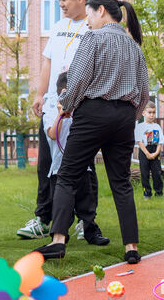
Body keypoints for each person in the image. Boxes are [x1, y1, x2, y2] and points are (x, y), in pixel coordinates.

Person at [33, 0, 149, 263]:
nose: (86, 22)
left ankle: (58, 240)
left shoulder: (94, 38)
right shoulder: (134, 47)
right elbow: (144, 92)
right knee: (121, 183)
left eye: (89, 15)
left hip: (93, 113)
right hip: (124, 117)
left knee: (68, 175)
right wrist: (131, 116)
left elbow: (78, 79)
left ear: (101, 11)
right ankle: (131, 247)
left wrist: (66, 104)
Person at [20, 0, 102, 242]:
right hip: (53, 110)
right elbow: (47, 63)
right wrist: (40, 94)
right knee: (46, 164)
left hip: (79, 111)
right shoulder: (57, 27)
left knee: (82, 166)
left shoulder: (93, 30)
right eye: (58, 0)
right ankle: (43, 218)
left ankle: (85, 221)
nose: (61, 5)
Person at [42, 72, 109, 246]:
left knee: (86, 203)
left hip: (82, 165)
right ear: (65, 91)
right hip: (59, 167)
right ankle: (60, 236)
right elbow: (52, 134)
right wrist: (60, 114)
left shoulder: (81, 109)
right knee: (62, 205)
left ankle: (91, 231)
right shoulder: (49, 112)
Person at [135, 101, 164, 199]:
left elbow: (160, 142)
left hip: (155, 150)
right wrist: (147, 153)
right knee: (144, 174)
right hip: (144, 151)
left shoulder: (157, 127)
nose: (152, 115)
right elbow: (139, 142)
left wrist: (156, 153)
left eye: (153, 112)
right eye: (149, 112)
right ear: (143, 113)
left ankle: (159, 192)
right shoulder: (140, 127)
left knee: (157, 173)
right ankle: (147, 193)